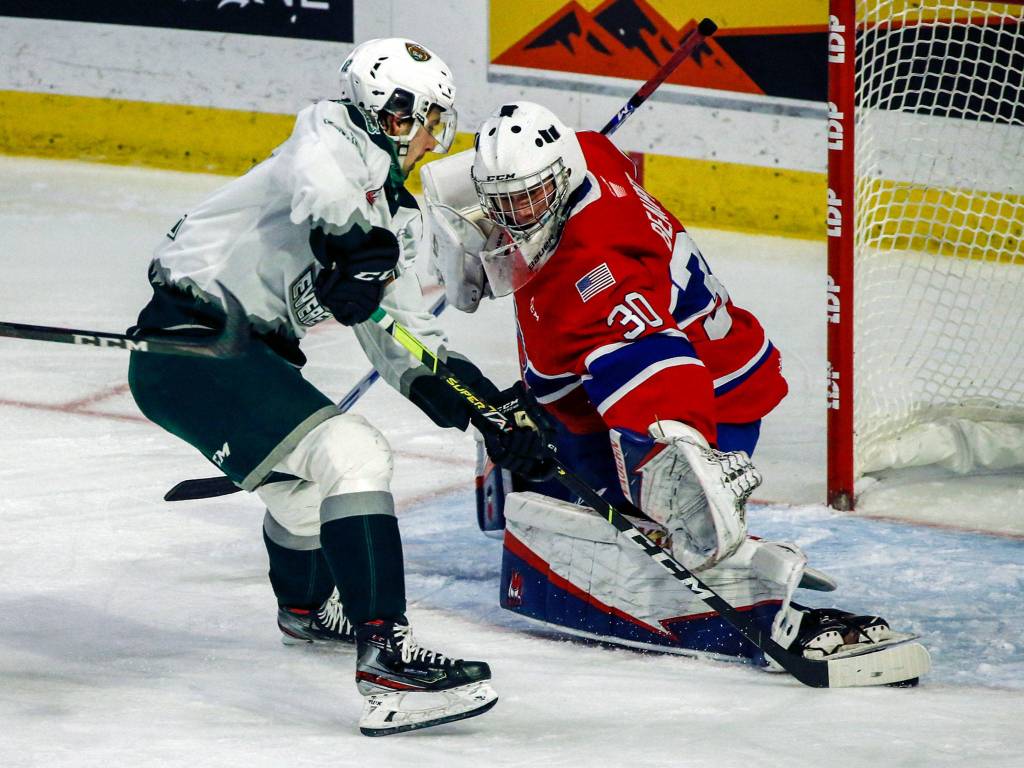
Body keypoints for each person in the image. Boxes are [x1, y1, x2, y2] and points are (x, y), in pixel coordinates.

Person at [423, 101, 927, 683]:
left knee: (645, 509)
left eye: (529, 197)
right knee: (538, 423)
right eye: (502, 201)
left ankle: (688, 516)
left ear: (560, 180)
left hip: (709, 395)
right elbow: (556, 158)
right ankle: (546, 466)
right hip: (694, 355)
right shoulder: (588, 154)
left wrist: (684, 468)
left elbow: (662, 365)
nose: (515, 216)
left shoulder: (595, 276)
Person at [126, 39, 527, 736]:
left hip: (245, 357)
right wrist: (353, 247)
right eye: (421, 116)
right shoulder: (331, 130)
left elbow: (399, 335)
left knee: (310, 487)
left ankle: (308, 609)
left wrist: (481, 409)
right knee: (353, 454)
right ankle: (386, 660)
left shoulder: (397, 216)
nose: (431, 135)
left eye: (437, 120)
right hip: (192, 341)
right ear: (386, 109)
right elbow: (323, 188)